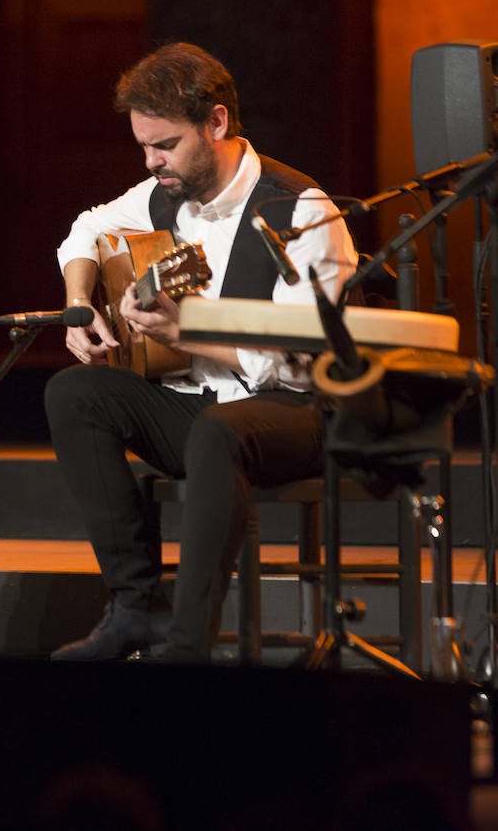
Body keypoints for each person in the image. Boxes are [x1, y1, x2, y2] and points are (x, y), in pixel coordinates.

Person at [44, 42, 358, 663]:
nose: (150, 160)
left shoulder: (299, 208)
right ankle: (136, 606)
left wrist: (185, 334)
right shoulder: (164, 189)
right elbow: (85, 229)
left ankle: (187, 650)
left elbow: (295, 361)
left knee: (220, 430)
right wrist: (80, 306)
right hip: (202, 405)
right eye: (142, 146)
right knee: (74, 393)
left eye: (164, 144)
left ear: (216, 123)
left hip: (297, 413)